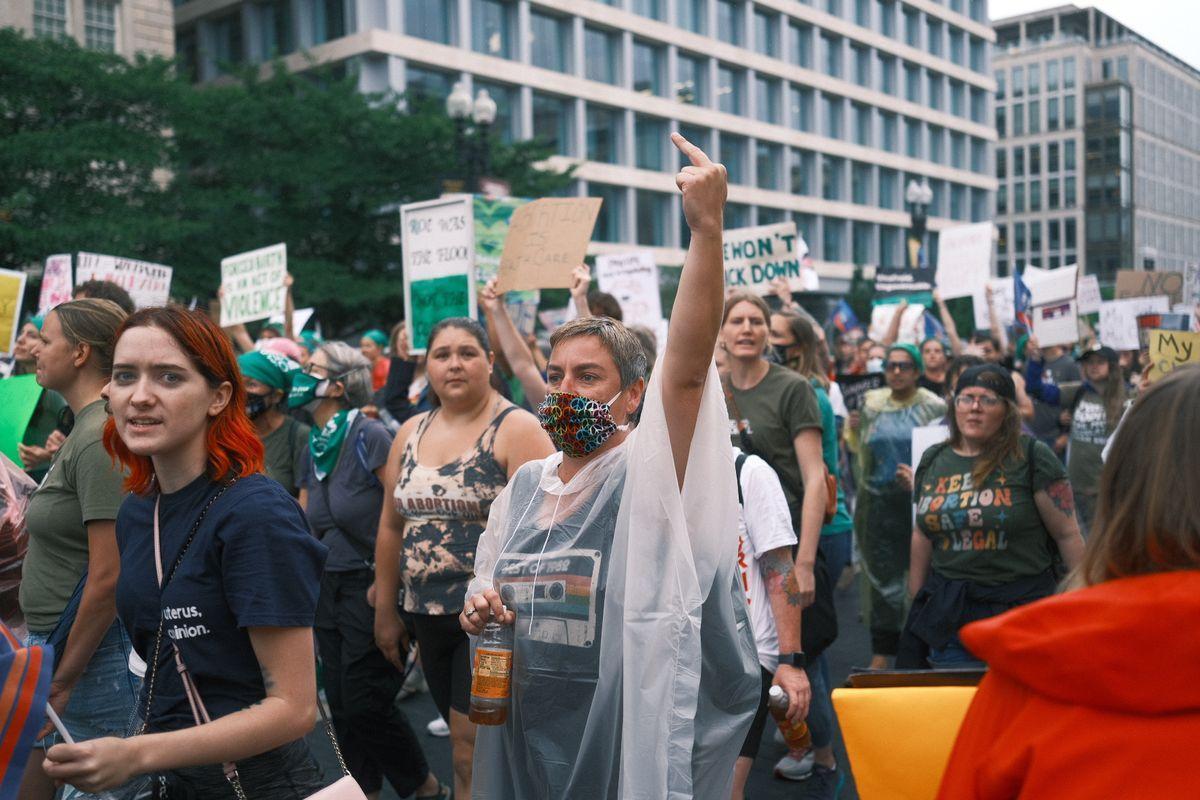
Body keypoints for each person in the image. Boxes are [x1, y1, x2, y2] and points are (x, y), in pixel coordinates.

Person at [460, 133, 761, 799]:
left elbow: (683, 375)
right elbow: (491, 587)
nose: (565, 389)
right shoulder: (526, 488)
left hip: (623, 722)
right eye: (557, 373)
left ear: (632, 395)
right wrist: (479, 607)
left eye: (588, 376)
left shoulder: (646, 473)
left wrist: (707, 228)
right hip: (527, 720)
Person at [43, 305, 328, 798]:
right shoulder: (136, 510)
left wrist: (134, 753)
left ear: (218, 397)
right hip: (173, 783)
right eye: (126, 375)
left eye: (169, 377)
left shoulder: (255, 515)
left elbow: (294, 708)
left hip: (257, 786)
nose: (141, 396)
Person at [936, 366, 1200, 799]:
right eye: (967, 398)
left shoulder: (1030, 671)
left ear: (1122, 484)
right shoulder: (1031, 664)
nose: (974, 408)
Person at [375, 318, 552, 798]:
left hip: (488, 623)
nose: (454, 363)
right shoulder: (409, 430)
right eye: (442, 354)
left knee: (468, 746)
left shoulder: (518, 428)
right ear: (426, 364)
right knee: (468, 744)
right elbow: (392, 525)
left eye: (468, 352)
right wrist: (385, 610)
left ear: (491, 362)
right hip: (422, 616)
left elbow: (542, 536)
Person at [291, 341, 449, 800]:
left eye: (312, 369)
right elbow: (307, 523)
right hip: (327, 587)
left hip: (368, 583)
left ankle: (424, 786)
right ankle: (364, 791)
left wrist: (386, 584)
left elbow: (399, 513)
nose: (301, 375)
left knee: (365, 703)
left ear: (337, 386)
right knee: (339, 705)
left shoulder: (370, 436)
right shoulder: (314, 446)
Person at [17, 300, 135, 800]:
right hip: (61, 649)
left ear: (81, 352)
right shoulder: (83, 428)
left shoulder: (97, 437)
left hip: (90, 656)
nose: (35, 349)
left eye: (46, 339)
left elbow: (108, 576)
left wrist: (64, 676)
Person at [899, 365, 1085, 668]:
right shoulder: (933, 459)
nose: (974, 408)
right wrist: (917, 603)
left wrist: (1082, 604)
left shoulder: (1032, 456)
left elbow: (1067, 534)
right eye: (966, 398)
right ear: (954, 405)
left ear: (1007, 411)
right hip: (952, 618)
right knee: (959, 711)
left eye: (987, 400)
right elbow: (922, 533)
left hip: (1022, 614)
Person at [765, 309, 849, 794]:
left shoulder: (806, 393)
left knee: (805, 652)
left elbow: (816, 476)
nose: (765, 344)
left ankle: (823, 756)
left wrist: (804, 562)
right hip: (785, 535)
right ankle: (803, 734)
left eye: (776, 337)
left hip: (816, 532)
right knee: (795, 653)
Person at [845, 343, 946, 669]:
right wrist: (854, 427)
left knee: (921, 574)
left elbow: (945, 453)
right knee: (879, 579)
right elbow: (858, 448)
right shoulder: (872, 404)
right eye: (892, 366)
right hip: (877, 505)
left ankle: (919, 644)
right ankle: (882, 649)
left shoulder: (934, 407)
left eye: (904, 366)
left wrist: (922, 481)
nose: (898, 372)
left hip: (918, 504)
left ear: (917, 371)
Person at [728, 446, 810, 800]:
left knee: (726, 789)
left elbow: (779, 569)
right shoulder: (647, 467)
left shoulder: (747, 472)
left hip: (744, 661)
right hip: (674, 658)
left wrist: (790, 662)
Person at [1024, 339, 1133, 536]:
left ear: (1113, 366)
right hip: (1078, 486)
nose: (1093, 367)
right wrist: (1035, 359)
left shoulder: (1128, 395)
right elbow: (1035, 389)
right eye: (1089, 362)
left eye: (1099, 362)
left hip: (1111, 486)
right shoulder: (1078, 391)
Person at [237, 350, 308, 496]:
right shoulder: (231, 434)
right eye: (238, 383)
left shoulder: (298, 435)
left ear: (276, 396)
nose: (242, 392)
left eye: (251, 384)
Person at [9, 316, 68, 483]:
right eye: (21, 333)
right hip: (9, 473)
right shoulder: (9, 384)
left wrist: (47, 455)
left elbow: (72, 429)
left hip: (38, 477)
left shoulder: (53, 389)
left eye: (32, 336)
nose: (20, 340)